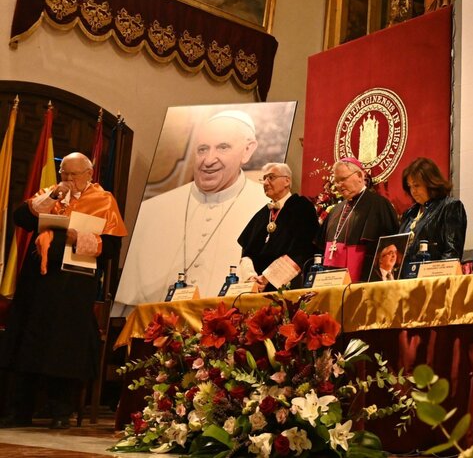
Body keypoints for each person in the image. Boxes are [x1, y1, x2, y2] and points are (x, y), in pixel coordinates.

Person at [0, 153, 127, 429]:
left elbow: (112, 248)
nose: (68, 180)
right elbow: (21, 217)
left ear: (89, 174)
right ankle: (19, 410)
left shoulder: (104, 200)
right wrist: (53, 197)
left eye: (73, 174)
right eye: (64, 174)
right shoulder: (51, 194)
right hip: (39, 281)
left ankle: (60, 411)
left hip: (73, 285)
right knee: (27, 340)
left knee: (64, 346)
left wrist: (79, 237)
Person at [115, 110, 270, 308]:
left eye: (223, 147)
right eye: (202, 149)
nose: (208, 160)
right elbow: (127, 306)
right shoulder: (153, 209)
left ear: (248, 150)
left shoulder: (267, 206)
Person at [237, 163, 319, 291]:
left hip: (288, 286)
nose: (265, 183)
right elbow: (247, 252)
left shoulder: (302, 207)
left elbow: (303, 250)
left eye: (271, 177)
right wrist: (252, 279)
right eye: (263, 179)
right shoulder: (262, 214)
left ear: (287, 181)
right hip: (257, 288)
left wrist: (268, 278)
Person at [318, 158, 399, 283]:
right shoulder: (335, 210)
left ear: (360, 176)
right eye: (336, 181)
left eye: (343, 179)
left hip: (364, 281)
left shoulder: (379, 205)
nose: (339, 185)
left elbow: (389, 245)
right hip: (331, 281)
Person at [397, 157, 467, 263]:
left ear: (431, 183)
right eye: (410, 186)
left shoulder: (450, 206)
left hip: (434, 277)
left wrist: (435, 276)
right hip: (407, 276)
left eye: (416, 185)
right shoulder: (408, 214)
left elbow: (452, 253)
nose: (413, 191)